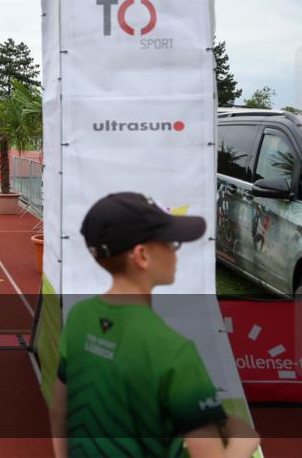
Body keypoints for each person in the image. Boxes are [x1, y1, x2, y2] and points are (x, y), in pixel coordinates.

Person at [49, 192, 260, 458]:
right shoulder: (175, 351)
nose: (174, 250)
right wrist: (244, 441)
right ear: (142, 256)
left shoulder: (79, 317)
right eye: (170, 242)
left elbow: (59, 411)